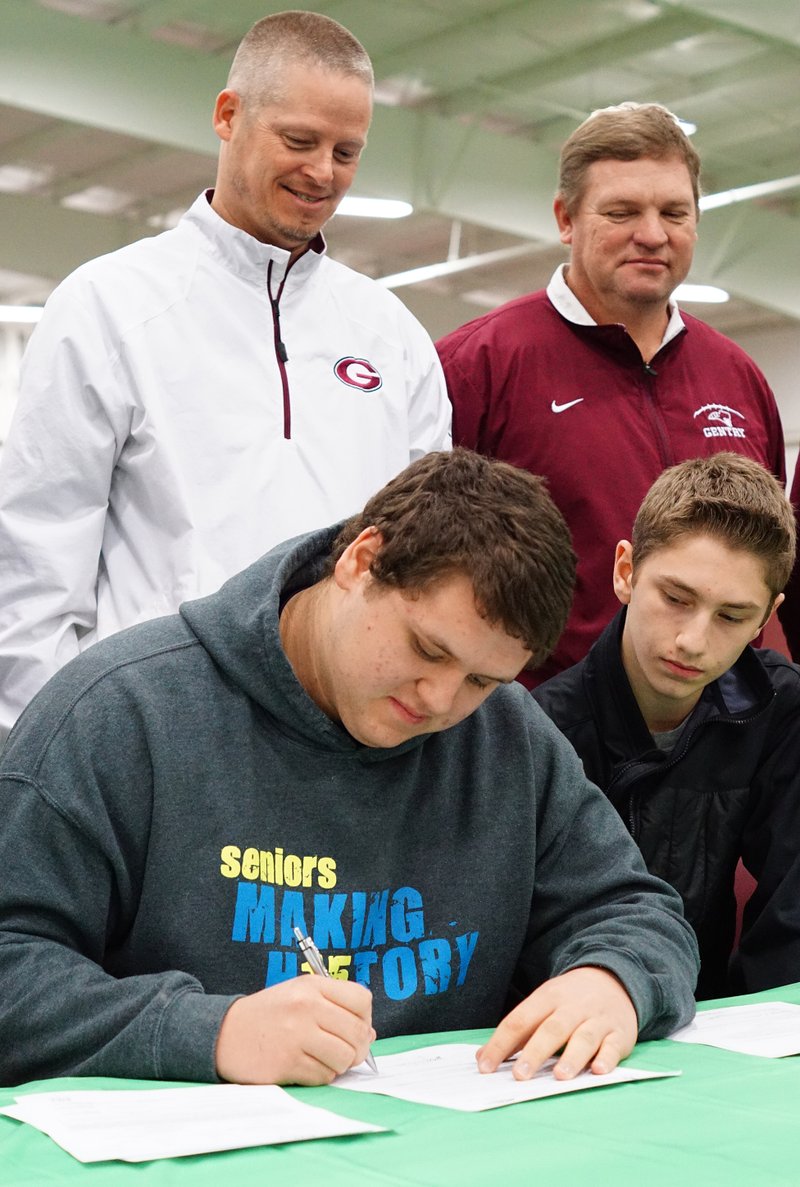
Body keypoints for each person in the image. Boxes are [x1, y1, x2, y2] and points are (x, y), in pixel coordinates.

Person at [0, 449, 698, 1088]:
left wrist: (615, 977)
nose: (440, 700)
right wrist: (207, 1032)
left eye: (482, 679)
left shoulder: (507, 735)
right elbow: (12, 968)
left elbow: (638, 910)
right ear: (362, 560)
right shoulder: (118, 713)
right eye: (425, 648)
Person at [0, 11, 451, 745]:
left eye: (347, 151)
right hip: (151, 736)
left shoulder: (393, 336)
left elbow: (419, 567)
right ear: (228, 115)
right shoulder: (109, 304)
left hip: (332, 743)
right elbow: (34, 563)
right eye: (299, 141)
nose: (322, 172)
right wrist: (48, 748)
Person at [436, 101, 788, 688]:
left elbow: (773, 568)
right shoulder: (477, 366)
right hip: (539, 729)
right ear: (566, 218)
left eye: (674, 212)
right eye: (622, 211)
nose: (652, 235)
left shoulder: (737, 377)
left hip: (713, 742)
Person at [533, 453, 800, 1000]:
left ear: (766, 617)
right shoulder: (537, 728)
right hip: (559, 1033)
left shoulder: (784, 710)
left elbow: (792, 929)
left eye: (731, 616)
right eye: (676, 599)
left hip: (720, 1033)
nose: (693, 641)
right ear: (625, 571)